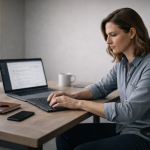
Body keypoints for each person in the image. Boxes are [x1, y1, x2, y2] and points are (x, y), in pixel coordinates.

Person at [47, 8, 150, 150]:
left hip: (144, 136)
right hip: (125, 128)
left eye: (113, 35)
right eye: (107, 36)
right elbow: (101, 87)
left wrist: (77, 103)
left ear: (132, 32)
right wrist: (71, 96)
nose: (108, 41)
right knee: (64, 135)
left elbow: (128, 112)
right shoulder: (122, 63)